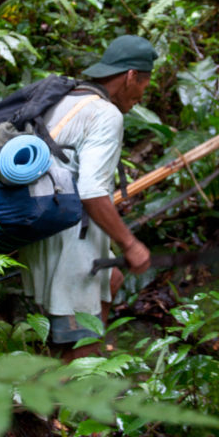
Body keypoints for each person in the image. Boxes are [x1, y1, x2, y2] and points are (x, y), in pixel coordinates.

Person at [20, 35, 158, 361]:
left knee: (112, 278)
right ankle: (75, 381)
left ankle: (70, 368)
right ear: (130, 76)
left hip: (37, 227)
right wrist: (130, 244)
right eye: (144, 83)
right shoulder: (105, 114)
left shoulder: (62, 101)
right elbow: (92, 192)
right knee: (80, 348)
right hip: (70, 243)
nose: (142, 95)